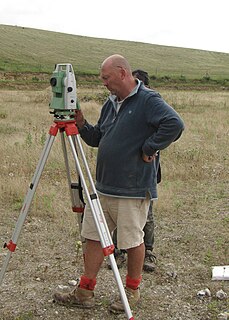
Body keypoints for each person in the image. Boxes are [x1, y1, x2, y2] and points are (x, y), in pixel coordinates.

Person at [53, 54, 184, 313]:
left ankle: (132, 291)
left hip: (132, 189)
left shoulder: (148, 100)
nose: (103, 83)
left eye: (106, 78)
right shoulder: (110, 103)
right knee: (92, 237)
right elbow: (97, 138)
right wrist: (80, 123)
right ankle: (85, 291)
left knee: (133, 241)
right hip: (103, 187)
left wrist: (150, 146)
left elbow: (175, 124)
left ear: (123, 73)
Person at [110, 69, 160, 272]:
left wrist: (149, 147)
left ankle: (147, 252)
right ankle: (117, 251)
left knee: (145, 214)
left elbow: (170, 128)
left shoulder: (151, 104)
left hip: (144, 171)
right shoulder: (117, 103)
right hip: (121, 172)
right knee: (117, 212)